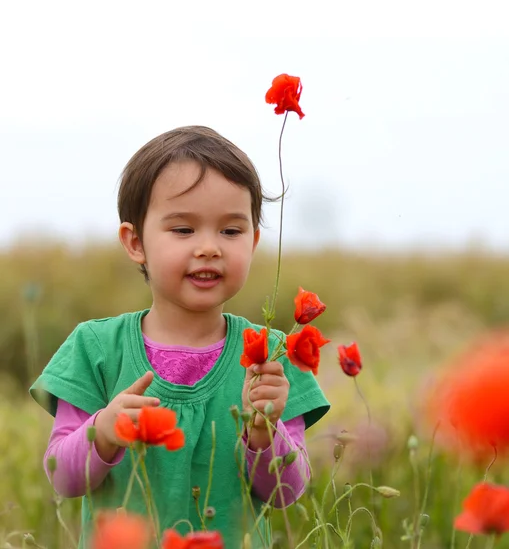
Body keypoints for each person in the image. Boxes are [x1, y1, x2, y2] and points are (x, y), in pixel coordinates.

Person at [30, 126, 330, 548]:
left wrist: (264, 430)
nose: (209, 247)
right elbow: (63, 478)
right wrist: (105, 429)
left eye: (231, 231)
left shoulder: (270, 357)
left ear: (254, 241)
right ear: (135, 243)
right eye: (183, 230)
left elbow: (286, 494)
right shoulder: (96, 348)